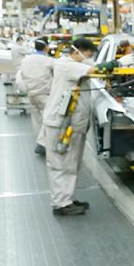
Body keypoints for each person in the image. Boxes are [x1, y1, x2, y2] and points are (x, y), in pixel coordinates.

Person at [39, 36, 106, 216]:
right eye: (87, 55)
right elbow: (94, 69)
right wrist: (114, 64)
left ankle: (67, 197)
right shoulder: (66, 65)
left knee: (71, 163)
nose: (89, 58)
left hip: (73, 125)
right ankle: (61, 203)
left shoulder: (76, 66)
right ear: (77, 52)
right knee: (60, 164)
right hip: (60, 124)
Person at [15, 39, 55, 156]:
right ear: (46, 47)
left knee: (37, 120)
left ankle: (42, 143)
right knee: (50, 118)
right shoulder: (49, 61)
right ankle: (42, 143)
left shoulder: (26, 60)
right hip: (44, 94)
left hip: (31, 94)